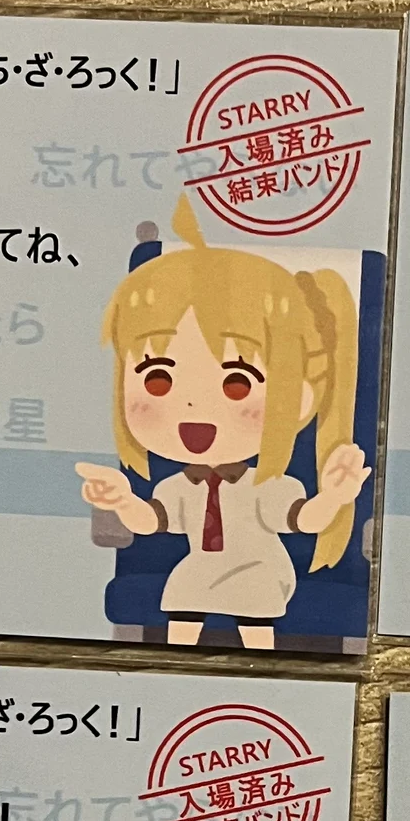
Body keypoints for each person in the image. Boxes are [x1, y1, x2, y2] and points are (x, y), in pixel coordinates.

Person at [76, 195, 370, 648]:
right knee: (182, 600)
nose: (195, 411)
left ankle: (262, 664)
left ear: (301, 397)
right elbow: (152, 523)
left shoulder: (269, 485)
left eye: (237, 383)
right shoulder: (178, 485)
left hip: (258, 569)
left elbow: (305, 521)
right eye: (157, 379)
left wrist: (333, 496)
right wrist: (123, 500)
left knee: (254, 616)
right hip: (200, 567)